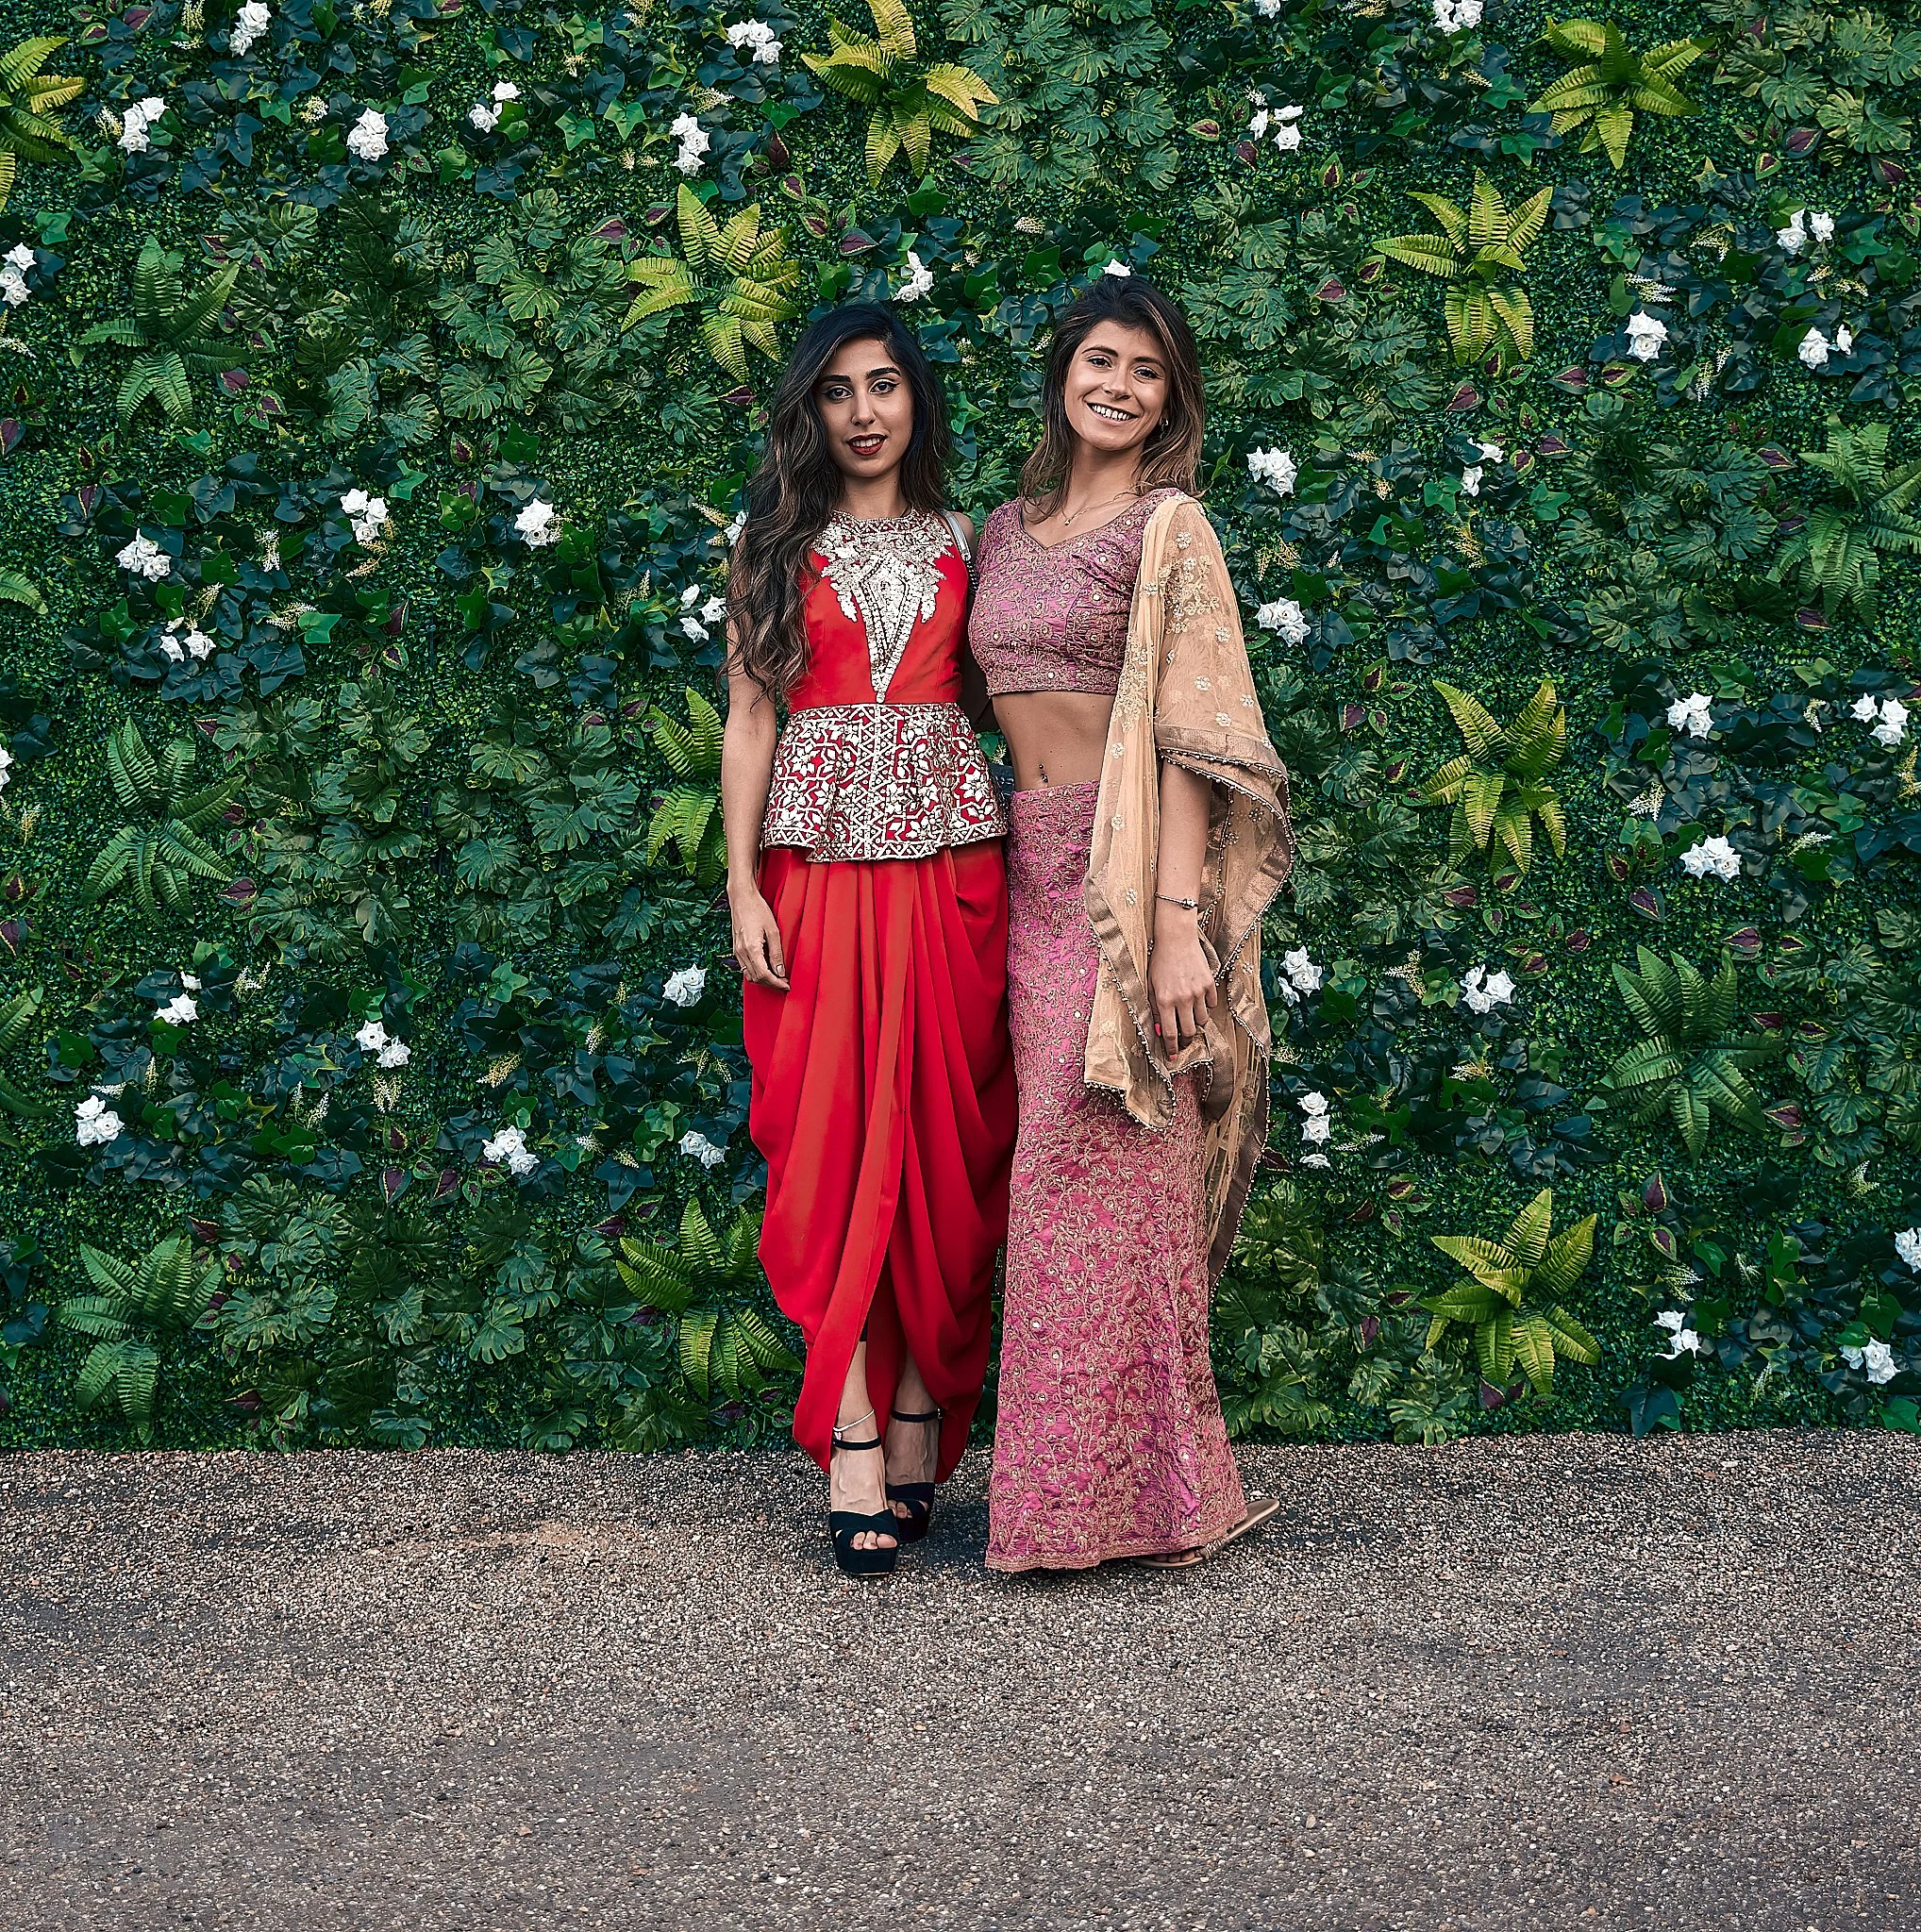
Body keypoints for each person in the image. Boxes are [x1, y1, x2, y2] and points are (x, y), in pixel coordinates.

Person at [968, 275, 1295, 1573]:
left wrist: (1171, 928)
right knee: (1053, 1182)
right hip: (1016, 871)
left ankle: (1115, 1508)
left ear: (1171, 399)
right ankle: (1117, 1503)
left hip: (1121, 871)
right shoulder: (1003, 529)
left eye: (1146, 372)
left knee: (1108, 1170)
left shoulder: (1172, 529)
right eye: (1100, 359)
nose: (1117, 385)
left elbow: (1185, 737)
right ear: (1063, 371)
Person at [721, 303, 1016, 1578]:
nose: (862, 411)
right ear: (812, 413)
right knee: (833, 1146)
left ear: (916, 401)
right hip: (819, 875)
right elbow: (747, 721)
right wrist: (741, 888)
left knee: (943, 1153)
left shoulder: (975, 541)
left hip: (954, 873)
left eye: (884, 384)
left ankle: (916, 1424)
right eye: (837, 390)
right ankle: (849, 1432)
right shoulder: (772, 544)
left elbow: (1044, 685)